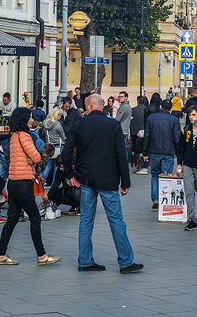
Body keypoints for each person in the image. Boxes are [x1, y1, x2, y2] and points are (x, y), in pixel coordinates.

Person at [63, 93, 143, 274]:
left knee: (86, 220)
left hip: (86, 179)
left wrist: (71, 173)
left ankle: (85, 260)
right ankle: (125, 261)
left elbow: (67, 151)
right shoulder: (112, 125)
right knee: (116, 221)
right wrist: (125, 181)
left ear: (89, 106)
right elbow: (121, 155)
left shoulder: (79, 125)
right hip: (107, 179)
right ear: (101, 106)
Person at [0, 107, 60, 266]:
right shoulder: (24, 136)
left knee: (11, 219)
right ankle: (42, 256)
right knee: (35, 217)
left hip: (13, 182)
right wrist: (32, 159)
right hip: (23, 184)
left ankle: (1, 255)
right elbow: (36, 156)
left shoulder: (14, 136)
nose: (32, 120)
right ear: (24, 120)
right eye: (30, 117)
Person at [144, 99, 180, 209]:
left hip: (154, 151)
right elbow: (176, 138)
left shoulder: (151, 118)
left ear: (160, 106)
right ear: (171, 108)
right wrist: (179, 154)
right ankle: (164, 197)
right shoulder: (174, 120)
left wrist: (145, 151)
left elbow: (147, 135)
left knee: (155, 174)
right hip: (168, 152)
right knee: (166, 176)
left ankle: (155, 198)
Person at [42, 107, 66, 184]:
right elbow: (63, 136)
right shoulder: (58, 124)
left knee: (48, 167)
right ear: (57, 115)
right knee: (56, 166)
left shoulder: (45, 123)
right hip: (58, 147)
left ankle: (41, 183)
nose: (60, 118)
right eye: (59, 116)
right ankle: (54, 184)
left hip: (50, 146)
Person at [130, 96, 148, 170]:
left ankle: (134, 161)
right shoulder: (146, 109)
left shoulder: (133, 110)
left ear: (137, 102)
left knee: (134, 147)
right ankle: (141, 161)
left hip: (134, 131)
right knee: (142, 148)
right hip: (143, 131)